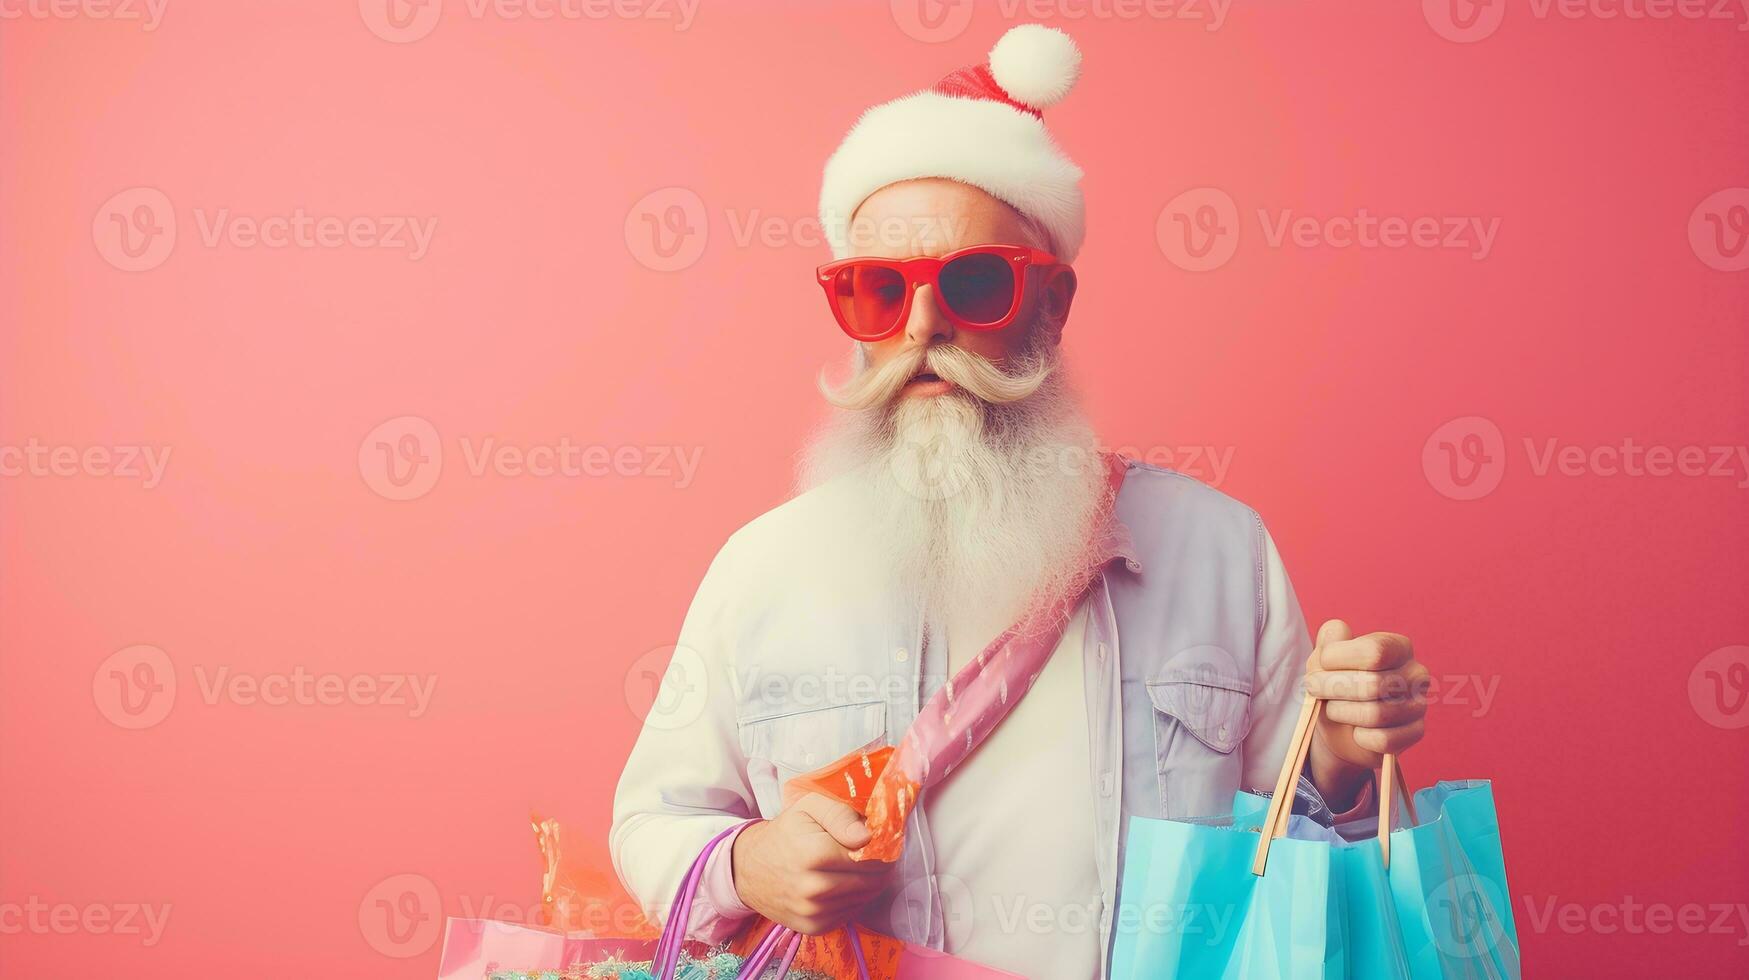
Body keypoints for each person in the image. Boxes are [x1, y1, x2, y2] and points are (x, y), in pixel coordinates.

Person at [610, 25, 1431, 980]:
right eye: (879, 291)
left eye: (974, 283)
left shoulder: (1218, 549)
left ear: (1054, 304)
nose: (924, 326)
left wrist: (1334, 753)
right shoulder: (761, 566)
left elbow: (1298, 878)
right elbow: (651, 820)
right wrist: (750, 865)